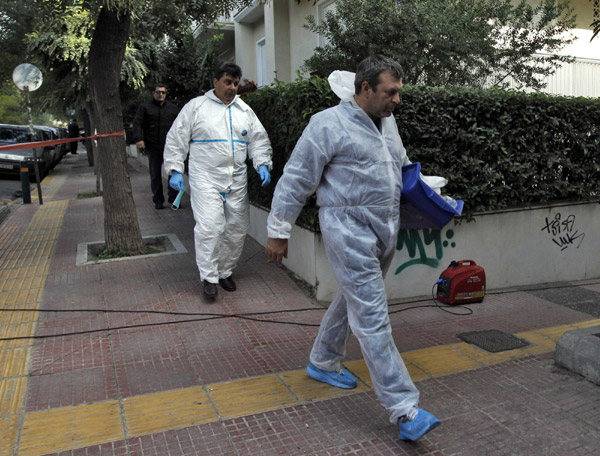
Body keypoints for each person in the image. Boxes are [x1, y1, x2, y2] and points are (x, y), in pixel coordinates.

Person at [265, 55, 441, 442]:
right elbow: (296, 179)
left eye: (398, 92)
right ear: (365, 89)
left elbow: (399, 166)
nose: (397, 99)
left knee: (354, 299)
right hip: (347, 230)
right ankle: (404, 409)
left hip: (384, 229)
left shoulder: (387, 123)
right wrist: (278, 230)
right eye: (390, 92)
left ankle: (323, 360)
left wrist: (428, 193)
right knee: (373, 317)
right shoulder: (328, 124)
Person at [164, 62, 272, 300]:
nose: (232, 87)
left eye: (235, 83)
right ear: (215, 82)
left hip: (236, 179)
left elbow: (258, 140)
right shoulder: (196, 108)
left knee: (237, 228)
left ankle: (225, 271)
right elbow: (176, 138)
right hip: (205, 178)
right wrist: (174, 169)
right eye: (227, 82)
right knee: (210, 228)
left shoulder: (244, 111)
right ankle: (209, 277)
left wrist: (262, 162)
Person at [132, 83, 180, 209]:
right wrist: (139, 139)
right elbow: (137, 124)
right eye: (158, 92)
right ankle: (158, 200)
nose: (161, 94)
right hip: (153, 146)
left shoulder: (172, 108)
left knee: (173, 172)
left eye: (163, 92)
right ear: (154, 93)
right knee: (155, 174)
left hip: (170, 147)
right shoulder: (145, 107)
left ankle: (174, 199)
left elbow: (180, 126)